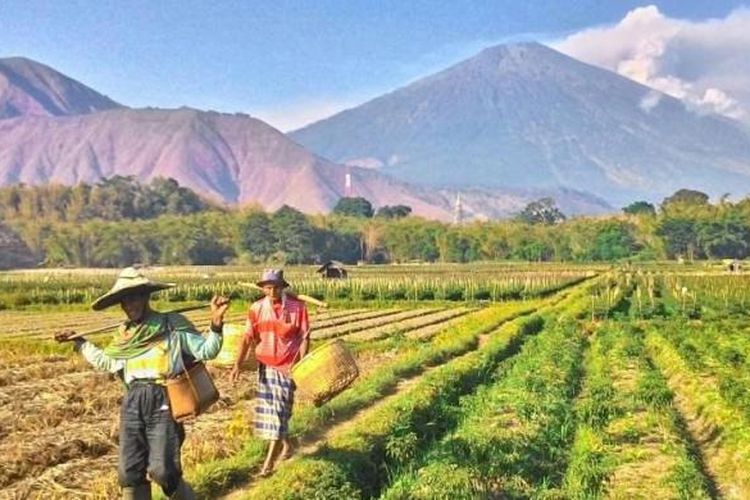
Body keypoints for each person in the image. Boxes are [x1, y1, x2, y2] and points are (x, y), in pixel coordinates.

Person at [55, 267, 229, 500]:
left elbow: (207, 350)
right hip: (133, 401)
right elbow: (107, 362)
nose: (130, 304)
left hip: (164, 399)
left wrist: (216, 323)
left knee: (163, 470)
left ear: (146, 297)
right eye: (125, 300)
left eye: (135, 297)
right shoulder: (124, 336)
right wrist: (80, 342)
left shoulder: (171, 325)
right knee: (130, 472)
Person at [230, 269, 310, 477]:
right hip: (265, 366)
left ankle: (268, 466)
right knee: (274, 415)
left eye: (275, 287)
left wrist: (300, 365)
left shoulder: (297, 307)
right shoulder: (256, 309)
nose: (272, 290)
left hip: (288, 368)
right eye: (267, 287)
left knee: (280, 413)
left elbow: (304, 337)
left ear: (283, 287)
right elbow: (247, 338)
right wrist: (237, 364)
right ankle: (287, 446)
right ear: (263, 289)